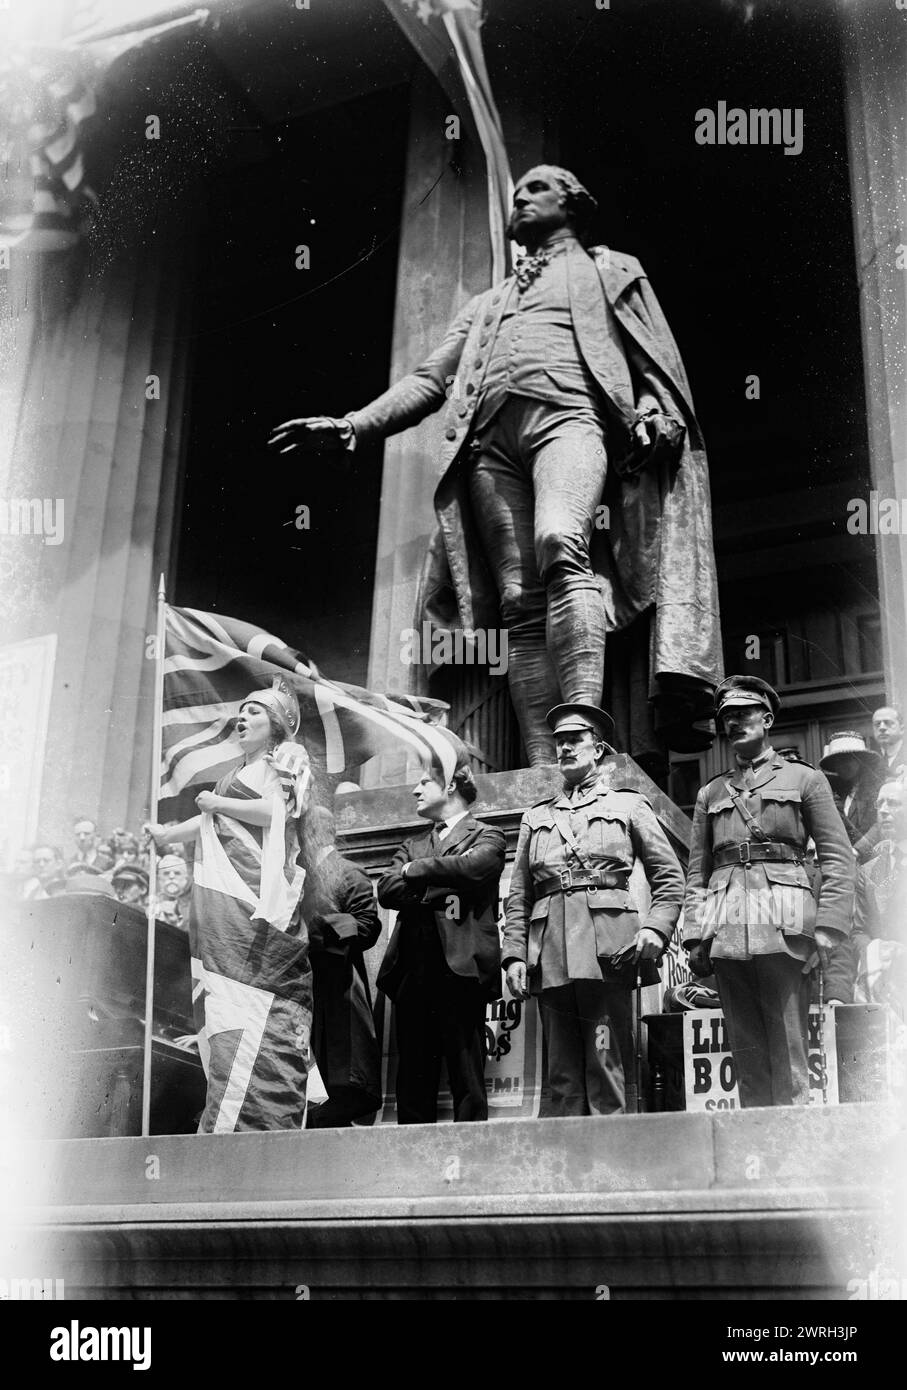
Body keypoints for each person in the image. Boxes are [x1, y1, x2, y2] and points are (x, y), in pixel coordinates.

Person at [270, 165, 721, 764]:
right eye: (515, 195)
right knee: (518, 598)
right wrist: (353, 425)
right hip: (488, 447)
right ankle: (544, 760)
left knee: (560, 539)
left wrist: (652, 414)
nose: (521, 201)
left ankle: (583, 731)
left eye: (537, 190)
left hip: (570, 420)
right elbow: (430, 379)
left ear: (574, 204)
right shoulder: (489, 303)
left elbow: (653, 365)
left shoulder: (610, 270)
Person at [145, 677, 315, 1133]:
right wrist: (167, 834)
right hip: (222, 907)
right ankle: (225, 1117)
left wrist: (218, 802)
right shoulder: (230, 774)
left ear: (277, 723)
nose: (242, 718)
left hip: (255, 897)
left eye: (255, 711)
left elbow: (278, 813)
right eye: (241, 711)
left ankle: (262, 1120)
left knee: (252, 1000)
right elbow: (207, 823)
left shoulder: (287, 758)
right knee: (224, 1004)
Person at [501, 703, 684, 1116]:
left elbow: (670, 877)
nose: (564, 748)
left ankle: (614, 1166)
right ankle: (571, 1172)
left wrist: (656, 929)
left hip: (608, 950)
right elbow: (519, 894)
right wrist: (513, 954)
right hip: (549, 950)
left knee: (606, 1061)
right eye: (558, 741)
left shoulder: (629, 806)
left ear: (598, 749)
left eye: (574, 739)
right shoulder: (536, 816)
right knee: (561, 1073)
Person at [683, 676, 855, 1107]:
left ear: (768, 719)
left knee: (791, 1052)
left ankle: (794, 1161)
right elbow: (697, 872)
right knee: (746, 1057)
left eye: (743, 713)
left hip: (786, 924)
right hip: (727, 930)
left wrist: (830, 925)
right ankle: (755, 1158)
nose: (733, 722)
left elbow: (838, 856)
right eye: (726, 717)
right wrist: (694, 935)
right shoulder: (711, 792)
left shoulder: (805, 779)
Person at [376, 731, 505, 1123]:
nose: (415, 790)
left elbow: (473, 868)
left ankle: (471, 1162)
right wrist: (438, 887)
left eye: (424, 782)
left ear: (450, 784)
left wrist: (416, 872)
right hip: (411, 973)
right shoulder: (413, 841)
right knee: (413, 1078)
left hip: (460, 971)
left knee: (467, 1076)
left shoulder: (488, 835)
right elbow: (386, 889)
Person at [296, 806, 382, 1127]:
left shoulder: (349, 872)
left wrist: (317, 928)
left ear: (312, 834)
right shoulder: (299, 875)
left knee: (338, 1080)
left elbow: (367, 925)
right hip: (307, 987)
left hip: (338, 987)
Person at [852, 780, 907, 1015]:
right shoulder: (870, 870)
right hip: (885, 987)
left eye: (893, 803)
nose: (883, 810)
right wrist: (877, 953)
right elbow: (859, 931)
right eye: (879, 803)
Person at [818, 732, 883, 844]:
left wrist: (859, 850)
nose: (841, 766)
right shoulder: (837, 793)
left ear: (860, 760)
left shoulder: (877, 789)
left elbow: (878, 826)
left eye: (847, 759)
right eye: (837, 761)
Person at [152, 853, 191, 928]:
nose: (171, 876)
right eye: (166, 873)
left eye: (177, 873)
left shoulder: (195, 903)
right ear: (159, 878)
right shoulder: (152, 901)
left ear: (186, 878)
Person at [872, 706, 905, 779]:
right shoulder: (870, 761)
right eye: (877, 724)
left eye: (888, 723)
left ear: (902, 729)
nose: (881, 727)